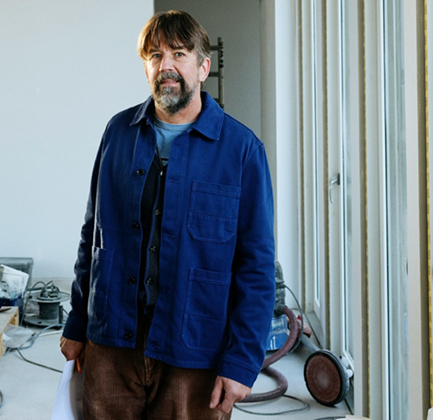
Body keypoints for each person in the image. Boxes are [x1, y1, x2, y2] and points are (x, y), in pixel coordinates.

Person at [59, 10, 276, 420]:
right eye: (156, 56)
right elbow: (93, 234)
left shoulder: (242, 151)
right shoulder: (117, 133)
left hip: (195, 352)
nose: (167, 66)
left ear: (203, 67)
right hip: (112, 345)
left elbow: (257, 267)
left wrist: (242, 362)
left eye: (179, 53)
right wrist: (76, 323)